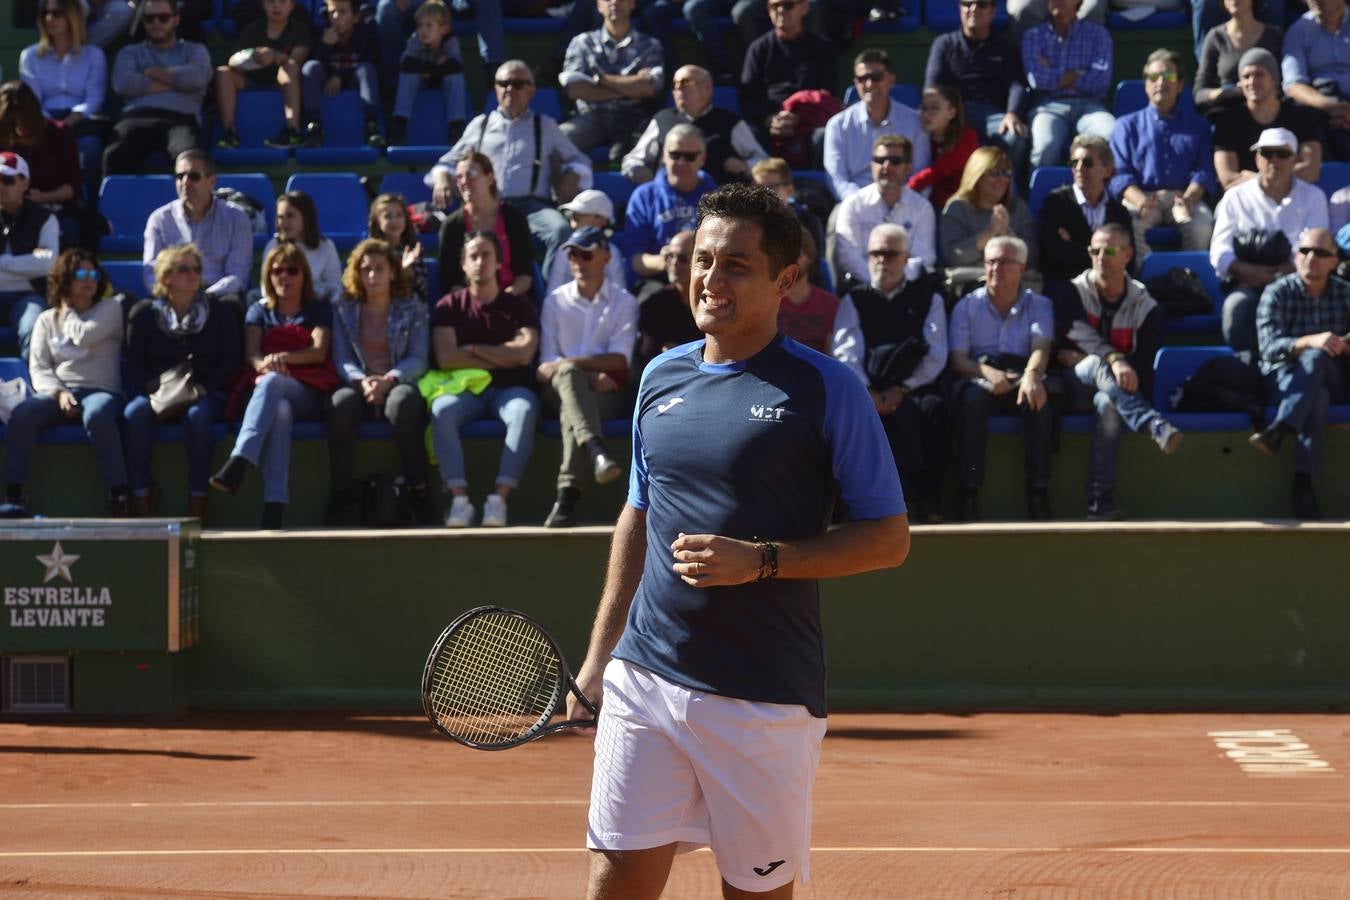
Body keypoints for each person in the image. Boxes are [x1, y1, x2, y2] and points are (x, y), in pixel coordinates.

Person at [566, 182, 908, 897]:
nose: (710, 280)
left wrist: (764, 563)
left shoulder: (827, 389)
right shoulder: (660, 375)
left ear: (786, 279)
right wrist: (601, 655)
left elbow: (888, 538)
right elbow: (638, 513)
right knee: (617, 876)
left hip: (762, 699)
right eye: (703, 260)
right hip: (645, 676)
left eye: (736, 266)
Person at [1056, 224, 1181, 521]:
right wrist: (1114, 357)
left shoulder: (1146, 305)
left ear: (1127, 255)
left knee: (1108, 402)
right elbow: (1064, 346)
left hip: (1119, 395)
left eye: (1109, 250)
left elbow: (1140, 371)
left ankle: (1100, 502)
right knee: (1099, 365)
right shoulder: (1071, 292)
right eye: (1095, 251)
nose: (1101, 257)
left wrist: (1097, 358)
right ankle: (1151, 423)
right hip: (1072, 388)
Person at [209, 242, 333, 529]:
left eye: (292, 270)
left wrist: (280, 359)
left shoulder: (318, 309)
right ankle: (274, 504)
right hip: (271, 389)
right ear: (268, 275)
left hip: (308, 389)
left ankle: (240, 458)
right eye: (277, 271)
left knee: (273, 382)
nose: (284, 277)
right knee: (280, 412)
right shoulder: (258, 311)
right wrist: (263, 364)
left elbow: (318, 352)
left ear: (303, 275)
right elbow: (251, 355)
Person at [432, 60, 592, 278]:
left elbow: (579, 160)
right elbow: (448, 162)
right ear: (495, 88)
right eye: (503, 83)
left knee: (561, 231)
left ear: (531, 90)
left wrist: (573, 174)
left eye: (517, 84)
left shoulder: (545, 125)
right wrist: (442, 177)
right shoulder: (481, 125)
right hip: (488, 206)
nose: (509, 89)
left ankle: (550, 298)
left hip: (532, 207)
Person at [429, 231, 541, 528]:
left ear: (498, 262)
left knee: (524, 410)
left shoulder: (519, 305)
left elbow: (525, 353)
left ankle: (498, 499)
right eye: (473, 256)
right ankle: (459, 500)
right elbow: (447, 358)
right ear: (464, 264)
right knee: (441, 410)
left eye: (486, 255)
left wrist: (475, 349)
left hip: (511, 389)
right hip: (465, 391)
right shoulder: (448, 306)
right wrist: (504, 353)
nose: (480, 262)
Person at [3, 249, 127, 516]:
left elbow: (83, 335)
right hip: (58, 393)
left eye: (93, 273)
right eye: (81, 273)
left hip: (101, 390)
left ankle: (118, 494)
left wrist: (66, 309)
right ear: (66, 278)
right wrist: (58, 393)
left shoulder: (111, 307)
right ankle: (14, 496)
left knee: (97, 414)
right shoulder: (45, 320)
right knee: (22, 415)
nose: (89, 279)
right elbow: (38, 367)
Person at [124, 243, 243, 519]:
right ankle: (141, 497)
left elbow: (230, 360)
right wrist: (153, 391)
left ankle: (198, 500)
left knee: (198, 417)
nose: (193, 275)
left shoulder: (219, 311)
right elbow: (136, 364)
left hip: (205, 390)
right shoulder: (145, 315)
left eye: (197, 269)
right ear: (166, 277)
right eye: (184, 269)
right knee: (134, 414)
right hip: (158, 392)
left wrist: (205, 387)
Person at [324, 238, 433, 526]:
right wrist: (362, 382)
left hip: (397, 380)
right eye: (366, 269)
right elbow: (342, 357)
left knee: (404, 403)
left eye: (380, 269)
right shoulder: (344, 308)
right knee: (340, 404)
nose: (372, 276)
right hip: (360, 383)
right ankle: (341, 493)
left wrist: (389, 379)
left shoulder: (413, 307)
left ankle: (419, 490)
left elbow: (419, 357)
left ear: (393, 272)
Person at [845, 223, 947, 523]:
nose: (882, 261)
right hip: (868, 388)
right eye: (875, 253)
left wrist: (903, 387)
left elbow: (937, 353)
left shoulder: (930, 298)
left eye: (890, 254)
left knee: (934, 410)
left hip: (914, 387)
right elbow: (846, 353)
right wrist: (868, 391)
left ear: (906, 258)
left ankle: (929, 502)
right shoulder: (854, 299)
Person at [948, 235, 1055, 522]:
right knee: (971, 400)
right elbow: (958, 359)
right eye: (991, 261)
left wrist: (1032, 376)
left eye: (1005, 262)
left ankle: (1038, 492)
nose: (996, 268)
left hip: (1022, 371)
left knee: (1038, 398)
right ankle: (968, 495)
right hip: (980, 373)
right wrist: (987, 374)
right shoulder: (966, 305)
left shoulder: (1040, 304)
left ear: (1021, 268)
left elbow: (1041, 346)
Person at [537, 226, 637, 527]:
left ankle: (567, 495)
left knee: (573, 409)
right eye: (572, 255)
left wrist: (573, 368)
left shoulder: (625, 302)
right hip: (563, 389)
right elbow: (545, 366)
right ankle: (595, 450)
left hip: (604, 392)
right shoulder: (554, 301)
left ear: (605, 257)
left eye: (586, 254)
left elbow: (621, 359)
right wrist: (584, 372)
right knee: (569, 380)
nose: (578, 261)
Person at [1249, 226, 1350, 518]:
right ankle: (1303, 483)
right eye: (1304, 251)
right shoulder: (1277, 291)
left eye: (1320, 253)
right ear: (1295, 256)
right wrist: (1310, 341)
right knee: (1315, 394)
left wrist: (1341, 345)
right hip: (1282, 381)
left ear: (1334, 261)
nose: (1311, 258)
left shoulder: (1345, 293)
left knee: (1318, 360)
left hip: (1335, 377)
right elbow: (1268, 348)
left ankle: (1280, 429)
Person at [1211, 127, 1330, 353]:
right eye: (1267, 153)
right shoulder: (1234, 197)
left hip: (1298, 285)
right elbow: (1219, 251)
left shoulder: (1314, 196)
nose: (1274, 160)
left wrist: (1280, 273)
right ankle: (1246, 370)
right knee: (1235, 309)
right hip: (1246, 282)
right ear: (1257, 159)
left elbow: (1317, 245)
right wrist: (1247, 271)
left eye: (1282, 154)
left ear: (1295, 159)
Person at [1109, 50, 1217, 259]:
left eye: (1168, 76)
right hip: (1142, 197)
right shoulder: (1125, 126)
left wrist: (1189, 198)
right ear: (1146, 84)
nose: (1161, 82)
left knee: (1201, 227)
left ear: (1180, 84)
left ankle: (1188, 282)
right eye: (1154, 77)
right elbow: (1119, 174)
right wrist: (1140, 201)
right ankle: (1149, 279)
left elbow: (1204, 171)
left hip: (1184, 196)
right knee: (1125, 226)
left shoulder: (1199, 126)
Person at [103, 0, 213, 175]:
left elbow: (197, 78)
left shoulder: (195, 50)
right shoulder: (130, 52)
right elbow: (123, 83)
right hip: (136, 118)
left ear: (176, 20)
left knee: (190, 161)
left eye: (163, 18)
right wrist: (176, 83)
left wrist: (149, 71)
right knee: (114, 155)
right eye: (149, 18)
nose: (156, 23)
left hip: (181, 119)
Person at [924, 0, 1030, 177]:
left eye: (981, 4)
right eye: (967, 4)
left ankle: (1007, 188)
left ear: (993, 11)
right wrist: (943, 115)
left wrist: (1012, 114)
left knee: (1015, 138)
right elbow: (933, 86)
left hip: (994, 114)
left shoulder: (1006, 46)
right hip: (955, 114)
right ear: (960, 9)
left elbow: (1017, 85)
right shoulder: (944, 44)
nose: (973, 9)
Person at [142, 149, 252, 318]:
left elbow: (237, 277)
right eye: (180, 177)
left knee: (232, 306)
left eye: (193, 176)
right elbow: (151, 272)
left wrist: (203, 297)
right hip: (172, 297)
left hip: (217, 299)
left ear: (211, 181)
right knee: (140, 312)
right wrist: (178, 296)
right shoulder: (160, 219)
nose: (185, 182)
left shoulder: (236, 218)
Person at [622, 64, 767, 186]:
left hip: (719, 205)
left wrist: (745, 166)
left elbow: (763, 162)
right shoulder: (662, 119)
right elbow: (633, 159)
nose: (678, 89)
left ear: (707, 88)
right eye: (675, 85)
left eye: (685, 83)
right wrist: (641, 172)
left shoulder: (729, 121)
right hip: (670, 203)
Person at [613, 125, 718, 290]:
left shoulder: (716, 196)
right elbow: (634, 259)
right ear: (664, 155)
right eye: (675, 155)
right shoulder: (644, 196)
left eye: (689, 157)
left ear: (702, 159)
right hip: (659, 280)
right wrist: (672, 261)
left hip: (706, 280)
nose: (681, 162)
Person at [558, 0, 665, 162]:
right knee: (554, 142)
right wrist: (631, 86)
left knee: (665, 146)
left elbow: (650, 88)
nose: (615, 2)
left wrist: (600, 80)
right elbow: (575, 89)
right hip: (591, 117)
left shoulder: (651, 45)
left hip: (634, 118)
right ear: (599, 6)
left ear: (632, 4)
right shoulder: (582, 42)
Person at [19, 0, 108, 193]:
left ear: (73, 17)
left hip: (81, 122)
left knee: (90, 148)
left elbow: (95, 99)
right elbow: (32, 100)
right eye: (46, 13)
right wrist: (51, 123)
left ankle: (88, 205)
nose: (50, 19)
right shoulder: (30, 56)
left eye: (57, 13)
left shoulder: (94, 55)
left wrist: (70, 120)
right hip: (43, 120)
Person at [830, 134, 936, 291]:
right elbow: (848, 256)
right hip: (862, 288)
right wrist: (877, 282)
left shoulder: (922, 207)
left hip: (907, 289)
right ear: (872, 165)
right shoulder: (853, 204)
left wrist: (893, 281)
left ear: (908, 168)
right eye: (879, 161)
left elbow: (924, 257)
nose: (886, 166)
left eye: (895, 161)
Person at [1020, 0, 1115, 169]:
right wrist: (1079, 73)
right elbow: (1036, 79)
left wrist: (1052, 72)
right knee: (1045, 147)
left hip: (1090, 106)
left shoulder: (1098, 35)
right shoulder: (1033, 36)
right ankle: (1040, 195)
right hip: (1047, 107)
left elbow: (1100, 81)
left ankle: (1111, 194)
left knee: (1112, 135)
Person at [824, 49, 928, 202]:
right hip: (855, 203)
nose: (869, 84)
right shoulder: (837, 125)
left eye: (876, 77)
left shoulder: (915, 122)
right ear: (855, 83)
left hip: (904, 202)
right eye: (862, 78)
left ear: (891, 80)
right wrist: (863, 204)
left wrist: (901, 203)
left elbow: (920, 174)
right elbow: (836, 179)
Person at [1212, 48, 1324, 189]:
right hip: (1246, 202)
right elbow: (1228, 179)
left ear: (1274, 80)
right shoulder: (1227, 121)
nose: (1252, 82)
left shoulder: (1302, 116)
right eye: (1246, 77)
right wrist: (1278, 178)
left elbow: (1311, 171)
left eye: (1259, 75)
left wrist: (1259, 179)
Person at [738, 0, 836, 151]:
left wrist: (799, 119)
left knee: (824, 136)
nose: (780, 11)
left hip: (808, 124)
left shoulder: (822, 48)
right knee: (749, 135)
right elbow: (747, 98)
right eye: (774, 6)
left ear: (804, 8)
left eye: (788, 5)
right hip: (769, 124)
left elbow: (828, 94)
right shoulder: (759, 49)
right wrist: (769, 119)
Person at [214, 0, 312, 150]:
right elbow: (232, 61)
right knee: (223, 73)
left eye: (282, 2)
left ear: (292, 5)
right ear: (263, 5)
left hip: (283, 83)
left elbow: (296, 61)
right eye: (271, 2)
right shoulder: (252, 29)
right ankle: (229, 133)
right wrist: (251, 57)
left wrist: (274, 56)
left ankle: (292, 131)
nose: (276, 6)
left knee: (290, 67)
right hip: (251, 80)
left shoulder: (300, 29)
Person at [939, 146, 1037, 293]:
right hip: (969, 285)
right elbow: (954, 256)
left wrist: (1007, 234)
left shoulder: (1018, 208)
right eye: (994, 173)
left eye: (1006, 173)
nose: (1002, 179)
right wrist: (990, 233)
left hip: (1015, 285)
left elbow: (1032, 257)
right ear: (976, 175)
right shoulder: (957, 207)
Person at [1039, 135, 1132, 289]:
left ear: (1107, 170)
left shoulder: (1119, 212)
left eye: (1087, 163)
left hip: (1110, 291)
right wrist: (1107, 254)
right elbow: (1053, 256)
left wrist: (1072, 246)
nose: (1079, 168)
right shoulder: (1056, 203)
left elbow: (1128, 260)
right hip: (1068, 289)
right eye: (1074, 162)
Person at [0, 81, 85, 250]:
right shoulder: (3, 136)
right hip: (8, 209)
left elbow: (72, 187)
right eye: (12, 123)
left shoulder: (60, 134)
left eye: (21, 122)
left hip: (57, 207)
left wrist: (42, 198)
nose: (18, 129)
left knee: (70, 230)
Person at [435, 153, 534, 298]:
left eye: (471, 174)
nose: (464, 181)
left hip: (511, 300)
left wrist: (501, 301)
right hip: (468, 305)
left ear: (490, 178)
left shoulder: (514, 218)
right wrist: (476, 304)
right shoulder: (452, 225)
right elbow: (449, 281)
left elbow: (525, 275)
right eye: (459, 177)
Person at [777, 226, 864, 375]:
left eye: (793, 253)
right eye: (782, 254)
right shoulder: (769, 302)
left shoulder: (831, 305)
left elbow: (834, 355)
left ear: (809, 256)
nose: (787, 261)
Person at [300, 0, 383, 149]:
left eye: (343, 12)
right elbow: (316, 64)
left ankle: (371, 127)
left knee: (366, 69)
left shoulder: (366, 33)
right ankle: (313, 126)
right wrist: (325, 45)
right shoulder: (320, 32)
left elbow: (372, 61)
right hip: (327, 81)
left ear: (356, 16)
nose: (336, 17)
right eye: (332, 12)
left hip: (353, 79)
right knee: (310, 68)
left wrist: (340, 76)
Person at [0, 152, 58, 362]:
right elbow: (37, 263)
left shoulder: (44, 218)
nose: (1, 186)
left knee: (33, 326)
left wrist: (3, 263)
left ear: (25, 183)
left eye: (7, 180)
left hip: (28, 295)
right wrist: (28, 260)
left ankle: (35, 388)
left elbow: (48, 264)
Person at [390, 0, 467, 147]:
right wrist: (432, 68)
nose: (423, 30)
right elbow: (405, 63)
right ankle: (400, 124)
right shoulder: (415, 40)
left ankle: (455, 127)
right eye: (420, 25)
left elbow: (457, 65)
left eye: (429, 25)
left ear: (443, 29)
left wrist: (431, 71)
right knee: (408, 77)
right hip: (422, 81)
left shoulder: (450, 41)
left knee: (455, 79)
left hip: (441, 81)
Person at [1281, 0, 1350, 162]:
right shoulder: (1299, 30)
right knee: (1302, 115)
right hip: (1321, 105)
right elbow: (1293, 85)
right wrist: (1331, 106)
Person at [1194, 0, 1284, 119]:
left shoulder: (1273, 36)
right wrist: (1228, 92)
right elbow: (1200, 93)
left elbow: (1284, 85)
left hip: (1267, 115)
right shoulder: (1216, 37)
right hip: (1227, 116)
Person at [633, 228, 700, 375]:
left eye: (682, 258)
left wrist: (676, 352)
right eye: (669, 256)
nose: (674, 263)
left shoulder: (711, 301)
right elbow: (649, 355)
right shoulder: (655, 302)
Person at [750, 157, 826, 278]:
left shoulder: (808, 220)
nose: (763, 194)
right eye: (757, 188)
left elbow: (813, 267)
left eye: (771, 188)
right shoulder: (748, 222)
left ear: (789, 190)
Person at [909, 85, 979, 212]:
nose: (926, 114)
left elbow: (939, 170)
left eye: (934, 108)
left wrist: (906, 190)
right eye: (923, 108)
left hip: (960, 205)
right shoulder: (921, 135)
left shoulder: (967, 136)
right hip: (927, 202)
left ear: (951, 112)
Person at [544, 189, 627, 295]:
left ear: (602, 221)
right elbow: (553, 293)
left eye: (578, 215)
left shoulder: (613, 252)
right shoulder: (564, 250)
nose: (573, 220)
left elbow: (620, 293)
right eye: (571, 215)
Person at [266, 190, 342, 302]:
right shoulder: (273, 245)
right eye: (280, 217)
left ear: (306, 217)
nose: (284, 223)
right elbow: (266, 286)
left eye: (290, 216)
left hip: (316, 307)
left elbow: (334, 287)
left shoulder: (326, 246)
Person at [369, 192, 430, 304]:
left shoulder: (413, 250)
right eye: (387, 216)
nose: (394, 221)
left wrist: (409, 272)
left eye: (399, 215)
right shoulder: (371, 253)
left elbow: (423, 292)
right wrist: (399, 272)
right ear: (377, 221)